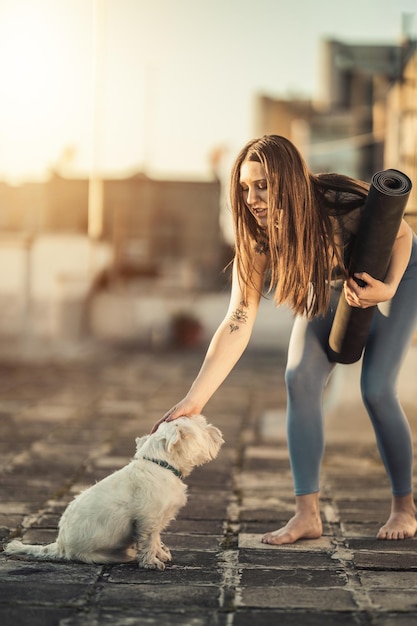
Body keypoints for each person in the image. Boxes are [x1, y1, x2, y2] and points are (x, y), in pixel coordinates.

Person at [152, 134, 417, 544]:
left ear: (288, 181)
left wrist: (389, 288)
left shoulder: (338, 200)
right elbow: (238, 318)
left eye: (263, 185)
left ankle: (405, 507)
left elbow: (401, 235)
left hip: (398, 275)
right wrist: (195, 399)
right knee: (300, 377)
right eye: (244, 187)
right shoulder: (257, 237)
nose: (253, 197)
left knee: (377, 388)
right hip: (334, 286)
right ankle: (306, 515)